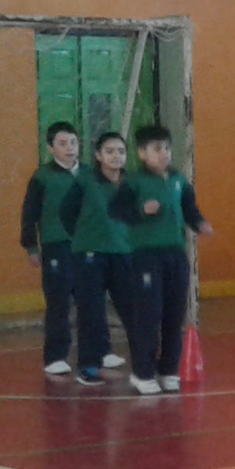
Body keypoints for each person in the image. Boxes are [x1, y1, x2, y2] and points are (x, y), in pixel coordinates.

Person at [112, 125, 213, 395]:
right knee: (149, 314)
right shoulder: (133, 181)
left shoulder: (178, 180)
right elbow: (117, 211)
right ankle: (142, 373)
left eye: (167, 148)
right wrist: (140, 210)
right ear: (142, 153)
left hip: (175, 254)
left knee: (174, 313)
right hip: (146, 255)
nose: (164, 153)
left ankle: (168, 370)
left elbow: (190, 209)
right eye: (157, 149)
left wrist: (199, 223)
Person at [57, 132, 136, 388]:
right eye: (110, 151)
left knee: (133, 309)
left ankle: (144, 365)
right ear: (99, 156)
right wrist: (85, 237)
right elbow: (66, 212)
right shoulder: (86, 181)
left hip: (123, 254)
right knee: (91, 311)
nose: (116, 156)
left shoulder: (132, 183)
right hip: (90, 256)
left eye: (121, 151)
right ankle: (88, 368)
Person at [19, 121, 85, 377]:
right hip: (56, 245)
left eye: (73, 142)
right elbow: (29, 213)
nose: (69, 148)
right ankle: (55, 356)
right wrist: (31, 247)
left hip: (87, 246)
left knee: (90, 300)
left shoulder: (90, 174)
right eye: (62, 143)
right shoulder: (42, 177)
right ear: (50, 148)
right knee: (59, 301)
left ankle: (96, 351)